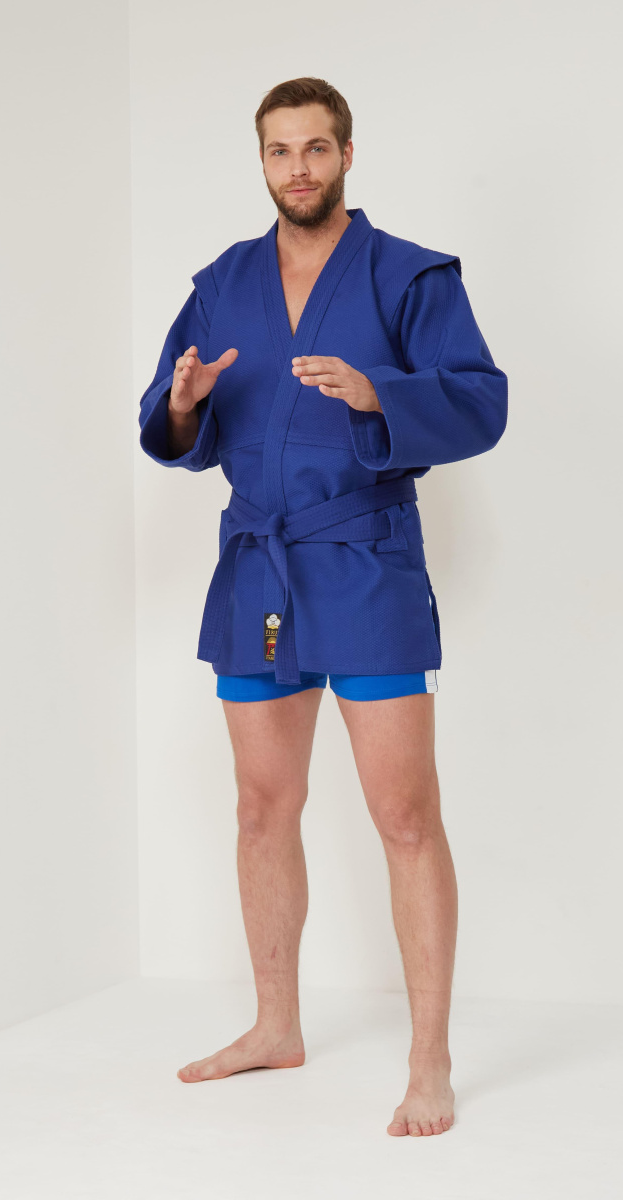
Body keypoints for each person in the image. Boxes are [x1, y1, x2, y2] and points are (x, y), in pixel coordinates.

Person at [138, 77, 508, 1138]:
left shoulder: (410, 275)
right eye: (278, 150)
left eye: (313, 148)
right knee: (261, 808)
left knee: (405, 815)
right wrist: (182, 405)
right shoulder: (222, 283)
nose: (296, 167)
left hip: (366, 562)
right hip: (257, 565)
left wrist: (381, 392)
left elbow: (482, 400)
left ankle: (429, 1061)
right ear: (260, 161)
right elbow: (168, 416)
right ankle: (274, 1026)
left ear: (347, 154)